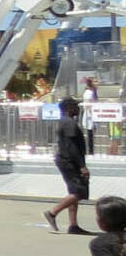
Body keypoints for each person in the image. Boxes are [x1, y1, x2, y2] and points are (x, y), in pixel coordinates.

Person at [45, 96, 90, 234]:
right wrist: (82, 166)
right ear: (69, 108)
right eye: (75, 106)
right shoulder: (69, 123)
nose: (78, 108)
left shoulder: (65, 121)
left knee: (73, 191)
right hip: (69, 161)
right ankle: (53, 212)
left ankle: (73, 225)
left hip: (67, 160)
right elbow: (71, 147)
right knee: (80, 191)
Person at [83, 77, 99, 155]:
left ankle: (91, 150)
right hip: (90, 116)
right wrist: (94, 114)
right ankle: (90, 151)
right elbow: (89, 105)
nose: (97, 83)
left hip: (92, 115)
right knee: (90, 134)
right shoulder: (89, 92)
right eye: (95, 82)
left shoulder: (93, 92)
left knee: (91, 134)